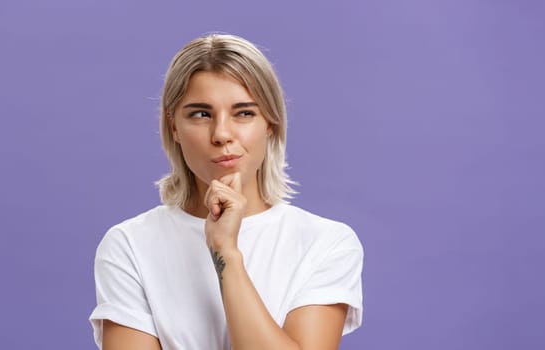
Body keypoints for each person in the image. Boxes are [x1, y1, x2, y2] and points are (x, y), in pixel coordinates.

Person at [89, 33, 364, 350]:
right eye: (201, 114)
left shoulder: (326, 243)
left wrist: (225, 253)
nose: (222, 134)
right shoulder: (130, 245)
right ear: (174, 126)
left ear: (270, 122)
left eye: (244, 112)